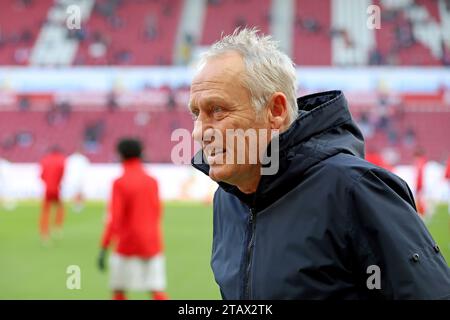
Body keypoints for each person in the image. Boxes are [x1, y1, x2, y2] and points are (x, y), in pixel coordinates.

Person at [189, 28, 450, 299]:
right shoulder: (227, 199)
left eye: (217, 110)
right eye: (196, 113)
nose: (198, 132)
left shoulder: (355, 189)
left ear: (275, 111)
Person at [98, 138, 168, 300]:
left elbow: (115, 218)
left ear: (120, 155)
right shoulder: (152, 181)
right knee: (157, 291)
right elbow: (157, 211)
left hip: (126, 244)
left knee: (119, 291)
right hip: (151, 243)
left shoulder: (119, 183)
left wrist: (104, 246)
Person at [39, 146, 66, 244]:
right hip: (56, 189)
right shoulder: (62, 160)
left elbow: (41, 175)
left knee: (46, 211)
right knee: (60, 208)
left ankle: (44, 232)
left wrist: (47, 182)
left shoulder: (45, 160)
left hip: (47, 189)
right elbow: (62, 174)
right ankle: (57, 227)